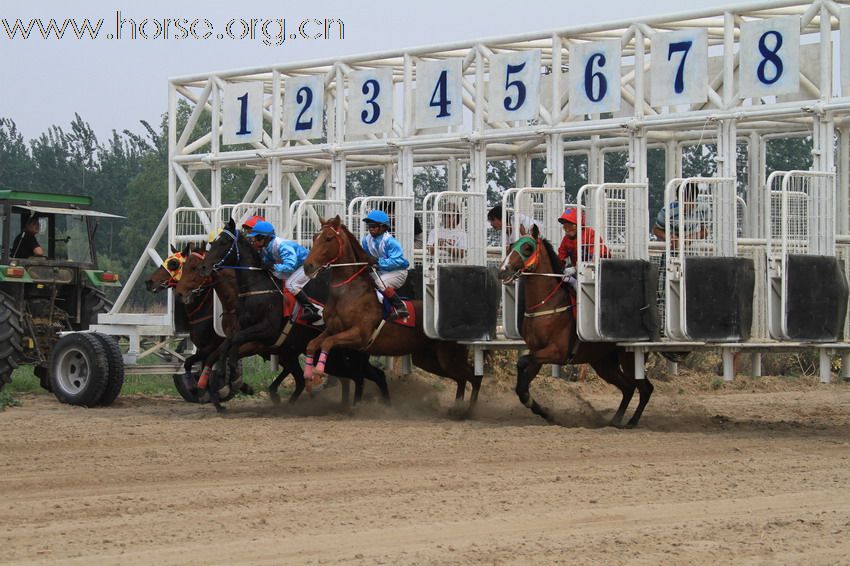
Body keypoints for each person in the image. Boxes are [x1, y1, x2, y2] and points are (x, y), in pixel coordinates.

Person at [246, 220, 322, 323]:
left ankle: (312, 309)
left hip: (309, 265)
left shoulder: (282, 245)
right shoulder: (265, 248)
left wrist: (272, 266)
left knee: (291, 284)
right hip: (297, 267)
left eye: (257, 237)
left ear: (267, 238)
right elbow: (267, 263)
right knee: (274, 274)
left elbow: (290, 265)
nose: (254, 240)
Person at [361, 210, 410, 320]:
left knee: (379, 282)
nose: (370, 229)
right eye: (369, 226)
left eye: (373, 226)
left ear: (383, 227)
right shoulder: (366, 240)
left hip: (398, 272)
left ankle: (401, 308)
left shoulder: (390, 242)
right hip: (380, 271)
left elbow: (398, 261)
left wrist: (378, 261)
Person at [557, 207, 609, 292]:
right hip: (579, 274)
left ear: (579, 225)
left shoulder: (590, 234)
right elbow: (560, 258)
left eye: (571, 226)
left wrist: (575, 269)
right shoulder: (566, 240)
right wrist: (561, 270)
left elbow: (597, 258)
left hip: (599, 273)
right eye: (565, 227)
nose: (567, 230)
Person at [652, 184, 710, 249]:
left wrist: (692, 237)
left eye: (689, 201)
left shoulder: (704, 208)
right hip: (671, 247)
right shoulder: (667, 210)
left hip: (692, 247)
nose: (685, 205)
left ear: (695, 198)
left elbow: (705, 231)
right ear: (677, 199)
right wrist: (668, 237)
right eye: (682, 201)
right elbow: (656, 229)